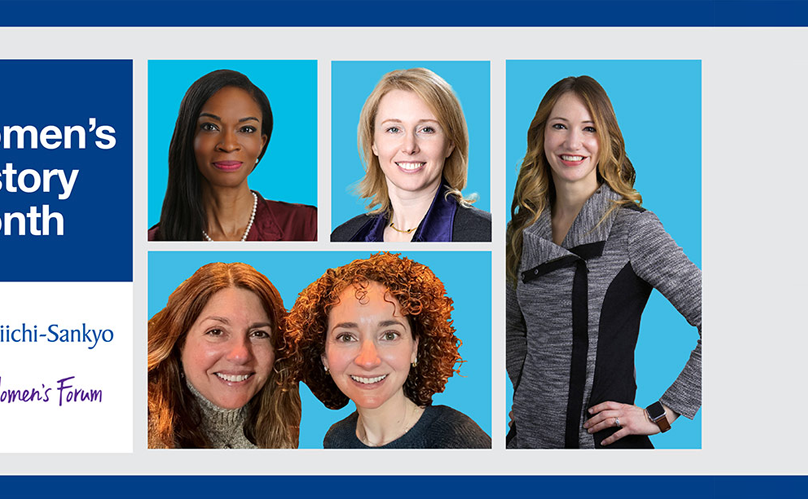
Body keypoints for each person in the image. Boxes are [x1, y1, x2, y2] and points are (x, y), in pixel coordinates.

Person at [505, 76, 702, 449]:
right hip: (527, 445)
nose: (572, 142)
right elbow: (511, 327)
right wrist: (529, 393)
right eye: (559, 126)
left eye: (589, 129)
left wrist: (662, 414)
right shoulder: (522, 231)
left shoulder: (632, 228)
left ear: (606, 140)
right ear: (541, 137)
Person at [283, 252, 489, 448]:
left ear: (415, 348)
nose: (368, 360)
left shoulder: (458, 439)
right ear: (323, 356)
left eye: (389, 335)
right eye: (346, 337)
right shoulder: (336, 439)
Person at [149, 69, 317, 241]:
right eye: (210, 127)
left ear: (261, 143)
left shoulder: (309, 226)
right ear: (189, 137)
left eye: (246, 129)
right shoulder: (153, 240)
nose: (228, 145)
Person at [148, 262, 300, 448]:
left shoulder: (279, 417)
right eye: (216, 332)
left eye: (258, 334)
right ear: (180, 342)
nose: (240, 355)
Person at [331, 68, 490, 242]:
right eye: (393, 129)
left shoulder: (486, 233)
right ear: (373, 143)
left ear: (450, 143)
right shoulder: (344, 237)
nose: (409, 147)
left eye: (427, 129)